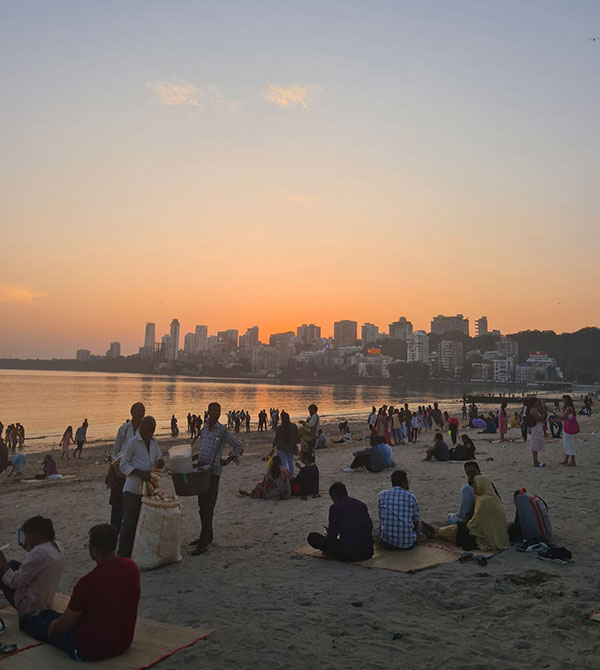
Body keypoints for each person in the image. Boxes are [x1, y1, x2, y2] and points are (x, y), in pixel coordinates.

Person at [20, 524, 140, 662]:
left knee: (31, 622)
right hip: (123, 641)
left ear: (94, 550)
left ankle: (30, 620)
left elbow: (65, 624)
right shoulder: (131, 568)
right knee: (47, 614)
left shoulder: (88, 582)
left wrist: (52, 627)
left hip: (89, 648)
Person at [189, 402, 244, 556]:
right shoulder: (204, 429)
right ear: (208, 412)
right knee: (202, 505)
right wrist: (190, 457)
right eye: (214, 410)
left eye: (219, 411)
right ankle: (207, 536)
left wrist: (228, 459)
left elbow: (238, 445)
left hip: (214, 472)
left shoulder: (222, 430)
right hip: (201, 471)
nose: (217, 413)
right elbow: (203, 450)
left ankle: (203, 541)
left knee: (209, 506)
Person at [117, 416, 164, 558]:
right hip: (132, 489)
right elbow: (123, 465)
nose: (151, 432)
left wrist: (160, 461)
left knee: (144, 522)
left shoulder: (154, 442)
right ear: (141, 428)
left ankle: (138, 552)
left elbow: (157, 457)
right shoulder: (133, 443)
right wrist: (139, 473)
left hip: (148, 489)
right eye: (149, 429)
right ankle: (123, 554)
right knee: (129, 523)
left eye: (153, 429)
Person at [0, 516, 64, 619]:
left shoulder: (38, 553)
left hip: (31, 606)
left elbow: (15, 582)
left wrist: (3, 561)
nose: (26, 538)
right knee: (13, 564)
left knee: (4, 570)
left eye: (27, 536)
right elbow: (39, 562)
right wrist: (28, 547)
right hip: (46, 597)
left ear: (34, 535)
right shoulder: (56, 545)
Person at [424, 475, 509, 551]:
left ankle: (435, 532)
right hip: (499, 538)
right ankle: (435, 531)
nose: (474, 488)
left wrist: (464, 523)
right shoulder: (495, 499)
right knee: (457, 527)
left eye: (475, 485)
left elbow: (476, 524)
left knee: (458, 530)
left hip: (486, 538)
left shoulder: (483, 501)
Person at [307, 482, 374, 562]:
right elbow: (369, 527)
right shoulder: (361, 504)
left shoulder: (335, 508)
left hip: (349, 554)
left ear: (333, 497)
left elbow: (332, 537)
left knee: (313, 537)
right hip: (368, 551)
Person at [108, 403, 145, 532]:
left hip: (136, 473)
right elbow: (115, 450)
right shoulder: (123, 429)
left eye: (143, 411)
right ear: (132, 412)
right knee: (117, 505)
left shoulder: (144, 431)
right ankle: (114, 531)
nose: (141, 413)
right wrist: (116, 464)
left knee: (133, 504)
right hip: (121, 472)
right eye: (138, 410)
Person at [376, 470, 420, 550]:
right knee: (420, 524)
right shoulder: (411, 496)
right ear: (403, 482)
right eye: (407, 482)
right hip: (408, 544)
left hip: (387, 543)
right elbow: (415, 521)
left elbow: (381, 518)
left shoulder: (382, 495)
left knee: (376, 528)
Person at [273, 411, 299, 477]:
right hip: (291, 446)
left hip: (282, 447)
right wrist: (296, 444)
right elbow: (296, 436)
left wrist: (274, 445)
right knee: (290, 462)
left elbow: (277, 438)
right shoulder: (293, 426)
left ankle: (284, 476)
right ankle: (292, 475)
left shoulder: (280, 428)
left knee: (283, 462)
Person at [557, 395, 578, 467]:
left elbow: (563, 417)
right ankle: (566, 459)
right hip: (567, 427)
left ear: (567, 400)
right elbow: (563, 418)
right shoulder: (568, 408)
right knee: (566, 443)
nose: (563, 401)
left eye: (564, 400)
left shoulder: (569, 408)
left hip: (569, 428)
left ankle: (573, 461)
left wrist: (552, 412)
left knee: (569, 443)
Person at [526, 398, 547, 467]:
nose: (538, 403)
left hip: (534, 428)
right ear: (534, 403)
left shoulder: (532, 409)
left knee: (534, 443)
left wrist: (542, 405)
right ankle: (535, 461)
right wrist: (544, 413)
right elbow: (539, 419)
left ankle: (536, 460)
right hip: (535, 428)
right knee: (535, 444)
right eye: (537, 402)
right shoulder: (534, 410)